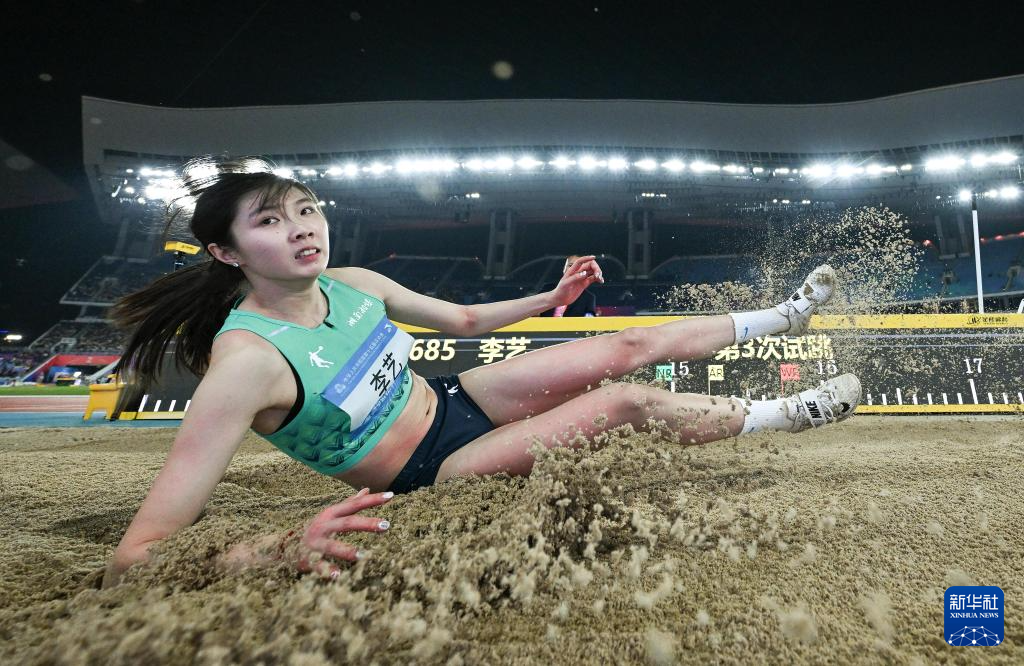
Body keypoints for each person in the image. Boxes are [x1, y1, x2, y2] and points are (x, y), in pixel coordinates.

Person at [103, 157, 861, 587]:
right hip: (432, 470)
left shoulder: (353, 283)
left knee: (629, 344)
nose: (302, 228)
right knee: (629, 401)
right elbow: (135, 559)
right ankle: (789, 414)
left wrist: (553, 297)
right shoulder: (246, 364)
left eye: (306, 209)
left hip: (458, 399)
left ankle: (787, 313)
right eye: (269, 221)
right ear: (226, 252)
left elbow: (463, 322)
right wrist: (278, 548)